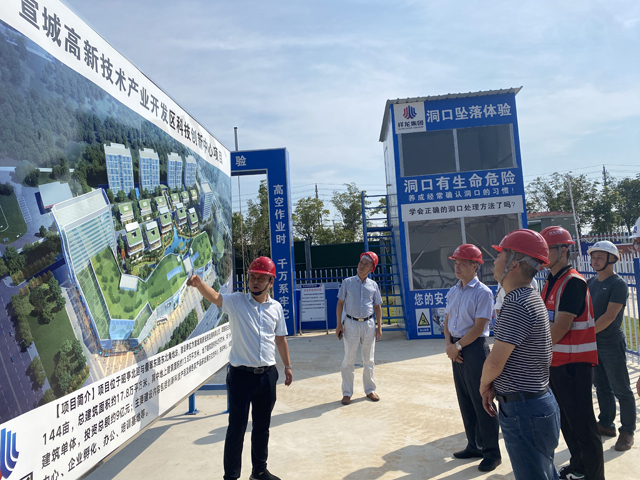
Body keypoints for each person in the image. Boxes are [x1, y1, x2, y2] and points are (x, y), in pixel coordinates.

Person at [187, 256, 293, 480]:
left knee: (262, 427)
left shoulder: (276, 308)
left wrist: (288, 366)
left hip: (267, 376)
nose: (255, 282)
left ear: (271, 282)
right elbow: (215, 297)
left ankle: (259, 471)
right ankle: (231, 476)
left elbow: (280, 339)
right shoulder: (237, 302)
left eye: (261, 278)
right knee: (236, 429)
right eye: (252, 277)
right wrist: (199, 284)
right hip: (240, 377)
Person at [480, 229, 560, 480]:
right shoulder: (530, 297)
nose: (495, 261)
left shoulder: (516, 303)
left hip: (524, 410)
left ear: (514, 264)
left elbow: (495, 362)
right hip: (535, 403)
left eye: (500, 255)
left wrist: (484, 385)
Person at [540, 226, 603, 480]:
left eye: (548, 249)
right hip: (557, 363)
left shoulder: (573, 282)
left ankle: (594, 475)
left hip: (575, 365)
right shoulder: (551, 281)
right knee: (567, 421)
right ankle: (578, 466)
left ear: (564, 250)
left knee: (583, 424)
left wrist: (536, 351)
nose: (543, 254)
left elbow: (561, 327)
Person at [444, 244, 501, 472]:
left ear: (475, 266)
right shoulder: (453, 290)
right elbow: (447, 321)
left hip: (474, 349)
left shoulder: (482, 292)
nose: (457, 267)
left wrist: (457, 346)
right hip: (456, 349)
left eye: (463, 263)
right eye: (456, 262)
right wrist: (449, 346)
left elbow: (479, 327)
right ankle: (474, 445)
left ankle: (492, 452)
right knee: (465, 399)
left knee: (482, 400)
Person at [587, 241, 635, 451]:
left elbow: (609, 316)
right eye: (593, 257)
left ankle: (627, 431)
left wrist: (586, 335)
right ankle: (606, 423)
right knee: (601, 386)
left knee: (621, 389)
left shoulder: (618, 284)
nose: (594, 261)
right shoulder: (590, 283)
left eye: (599, 257)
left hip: (610, 343)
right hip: (594, 343)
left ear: (612, 259)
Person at [335, 251, 383, 405]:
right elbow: (340, 303)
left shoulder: (373, 285)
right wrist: (339, 324)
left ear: (371, 268)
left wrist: (379, 326)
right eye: (361, 262)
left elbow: (377, 306)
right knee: (349, 359)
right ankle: (347, 393)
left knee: (369, 359)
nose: (362, 266)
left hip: (368, 324)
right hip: (351, 323)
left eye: (366, 264)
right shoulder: (347, 283)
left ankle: (370, 390)